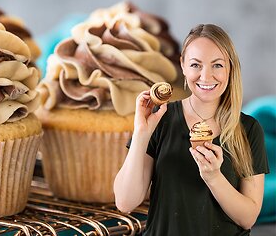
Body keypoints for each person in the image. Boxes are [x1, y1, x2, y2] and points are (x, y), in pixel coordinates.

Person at [113, 24, 269, 235]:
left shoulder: (249, 129)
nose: (206, 76)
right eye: (196, 65)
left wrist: (214, 177)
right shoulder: (161, 118)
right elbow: (125, 202)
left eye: (217, 65)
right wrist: (141, 134)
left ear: (230, 68)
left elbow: (247, 218)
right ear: (183, 66)